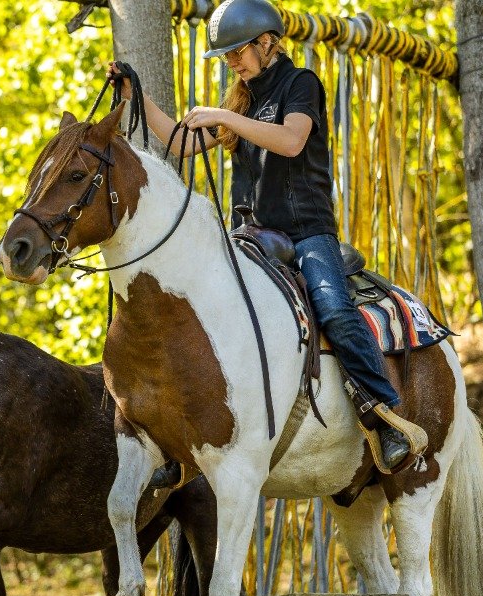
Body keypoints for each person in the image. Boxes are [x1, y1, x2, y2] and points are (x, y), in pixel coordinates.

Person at [108, 0, 422, 488]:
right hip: (250, 234)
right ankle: (181, 436)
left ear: (267, 42)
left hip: (305, 232)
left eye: (238, 52)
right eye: (227, 55)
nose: (232, 61)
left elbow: (293, 141)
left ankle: (383, 415)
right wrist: (138, 96)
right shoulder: (240, 101)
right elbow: (180, 143)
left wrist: (224, 118)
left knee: (336, 312)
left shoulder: (301, 85)